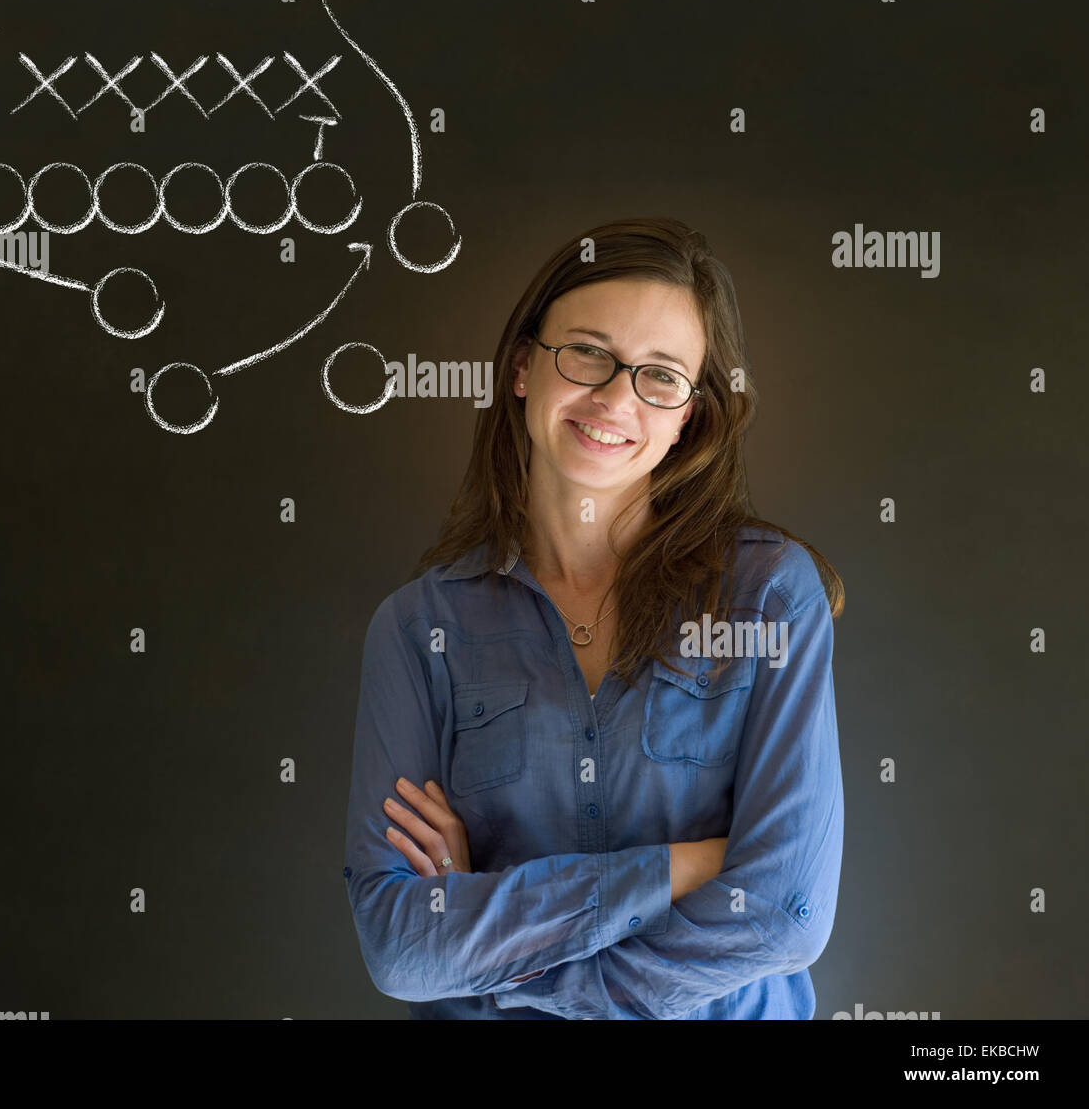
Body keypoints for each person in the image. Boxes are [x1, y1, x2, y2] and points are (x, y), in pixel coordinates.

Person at [342, 217, 845, 1019]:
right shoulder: (417, 629)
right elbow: (403, 950)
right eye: (587, 353)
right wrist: (677, 869)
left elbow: (785, 915)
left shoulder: (769, 595)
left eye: (661, 375)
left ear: (689, 415)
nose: (616, 396)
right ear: (520, 368)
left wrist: (500, 954)